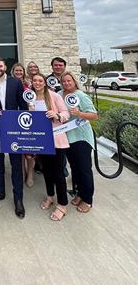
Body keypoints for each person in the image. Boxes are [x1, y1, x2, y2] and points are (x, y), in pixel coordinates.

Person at [0, 57, 27, 218]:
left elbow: (23, 106)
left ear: (4, 67)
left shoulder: (16, 83)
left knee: (16, 165)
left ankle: (18, 199)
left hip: (14, 129)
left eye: (0, 66)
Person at [30, 73, 70, 221]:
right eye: (35, 80)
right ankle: (50, 196)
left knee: (58, 173)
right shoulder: (30, 97)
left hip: (56, 139)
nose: (37, 83)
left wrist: (57, 115)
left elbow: (66, 113)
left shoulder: (54, 96)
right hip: (40, 141)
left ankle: (62, 204)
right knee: (46, 171)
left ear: (45, 83)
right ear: (31, 82)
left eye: (40, 80)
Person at [60, 71, 98, 213]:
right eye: (64, 81)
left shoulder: (81, 96)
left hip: (81, 138)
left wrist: (79, 113)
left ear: (74, 81)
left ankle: (88, 199)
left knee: (84, 169)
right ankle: (79, 193)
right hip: (68, 138)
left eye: (69, 81)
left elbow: (94, 115)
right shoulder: (59, 94)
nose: (66, 83)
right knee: (75, 169)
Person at [11, 62, 35, 186]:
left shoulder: (29, 85)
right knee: (19, 149)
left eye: (21, 71)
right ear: (13, 72)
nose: (19, 73)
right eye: (16, 71)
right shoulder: (9, 84)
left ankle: (30, 172)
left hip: (28, 119)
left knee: (30, 152)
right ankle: (23, 172)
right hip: (14, 119)